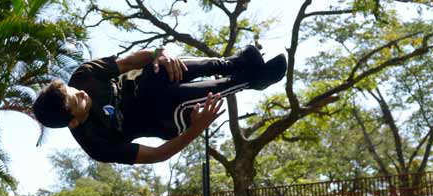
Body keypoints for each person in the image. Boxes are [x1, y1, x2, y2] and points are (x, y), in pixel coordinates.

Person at [32, 44, 287, 164]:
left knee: (158, 68)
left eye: (73, 90)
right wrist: (195, 130)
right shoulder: (95, 143)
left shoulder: (83, 76)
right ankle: (250, 81)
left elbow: (130, 62)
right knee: (168, 98)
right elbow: (157, 154)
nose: (81, 93)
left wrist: (160, 54)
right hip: (164, 119)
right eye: (76, 100)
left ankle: (237, 63)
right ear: (73, 121)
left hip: (147, 87)